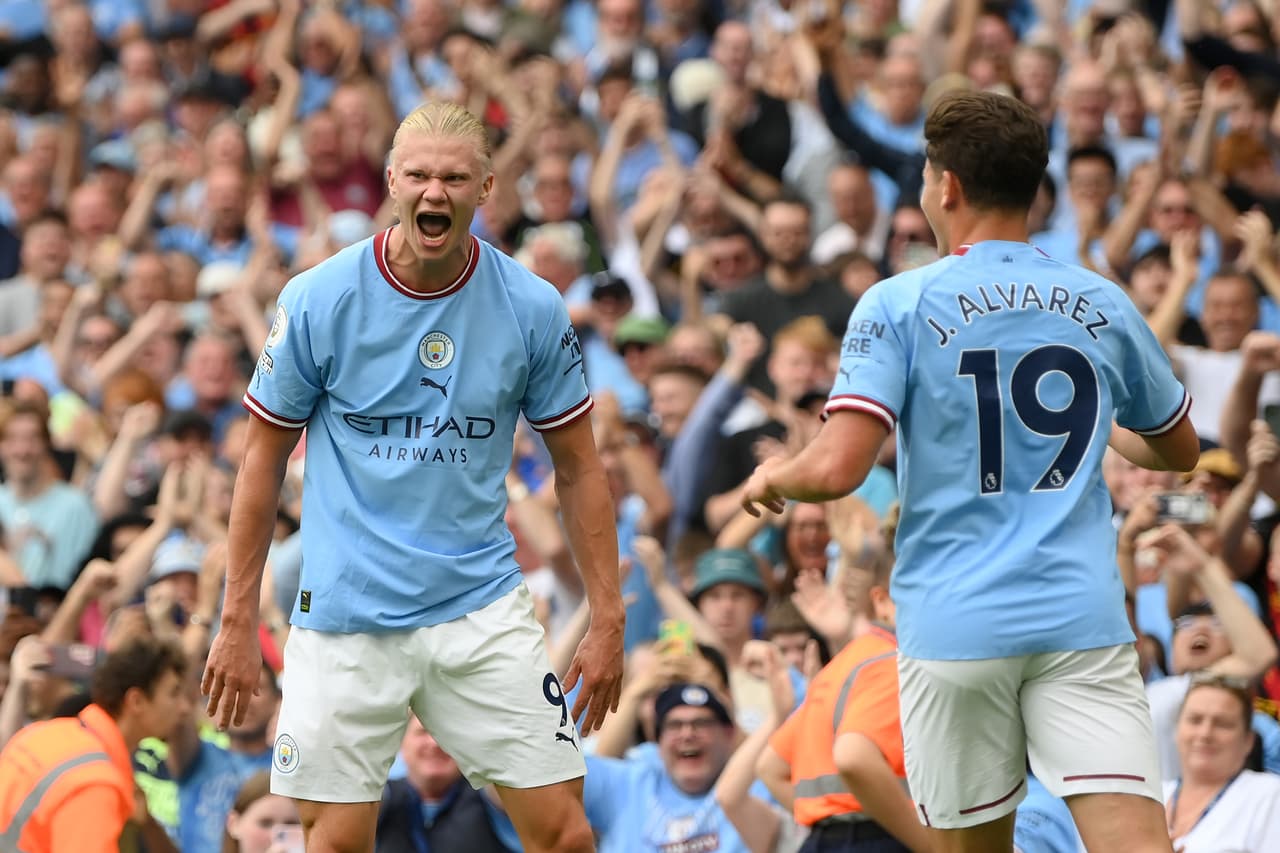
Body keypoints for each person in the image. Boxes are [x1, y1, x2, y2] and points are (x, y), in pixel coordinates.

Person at [741, 89, 1200, 853]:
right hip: (1079, 616)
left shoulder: (899, 300)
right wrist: (1109, 433)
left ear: (945, 185)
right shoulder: (1101, 299)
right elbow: (1179, 451)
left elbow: (839, 467)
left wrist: (775, 477)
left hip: (957, 623)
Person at [201, 101, 624, 853]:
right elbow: (260, 460)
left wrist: (608, 613)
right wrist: (236, 618)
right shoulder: (318, 297)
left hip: (479, 606)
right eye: (420, 174)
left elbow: (581, 467)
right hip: (344, 614)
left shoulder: (532, 306)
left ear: (487, 187)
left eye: (455, 177)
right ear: (391, 180)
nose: (436, 191)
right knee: (332, 844)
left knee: (566, 833)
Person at [0, 636, 189, 853]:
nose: (184, 708)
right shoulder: (95, 782)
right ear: (136, 701)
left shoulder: (41, 734)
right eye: (174, 693)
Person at [1163, 674, 1280, 851]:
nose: (1205, 734)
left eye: (1222, 724)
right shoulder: (1151, 797)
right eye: (1195, 720)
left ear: (1248, 741)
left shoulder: (1269, 795)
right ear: (1176, 730)